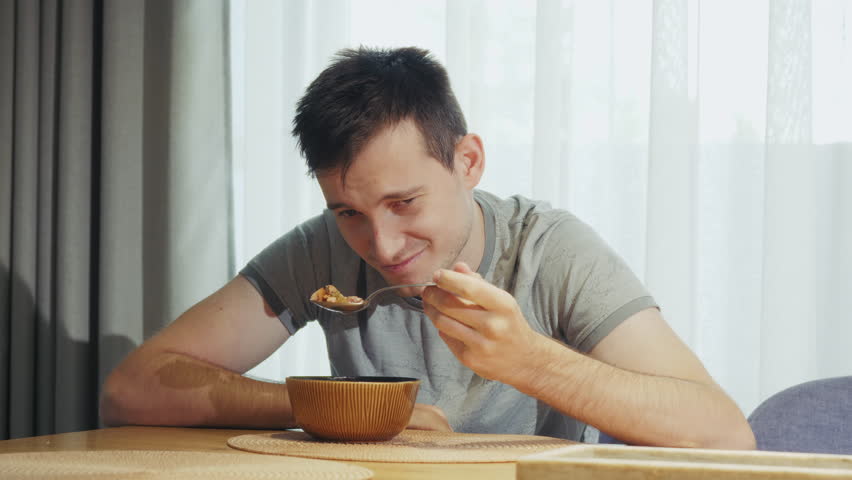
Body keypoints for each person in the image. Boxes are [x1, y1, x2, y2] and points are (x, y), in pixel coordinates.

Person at [100, 46, 755, 449]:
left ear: (469, 161)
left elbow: (724, 434)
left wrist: (531, 361)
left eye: (404, 203)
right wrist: (345, 409)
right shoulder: (322, 250)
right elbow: (133, 389)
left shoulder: (551, 251)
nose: (380, 245)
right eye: (349, 211)